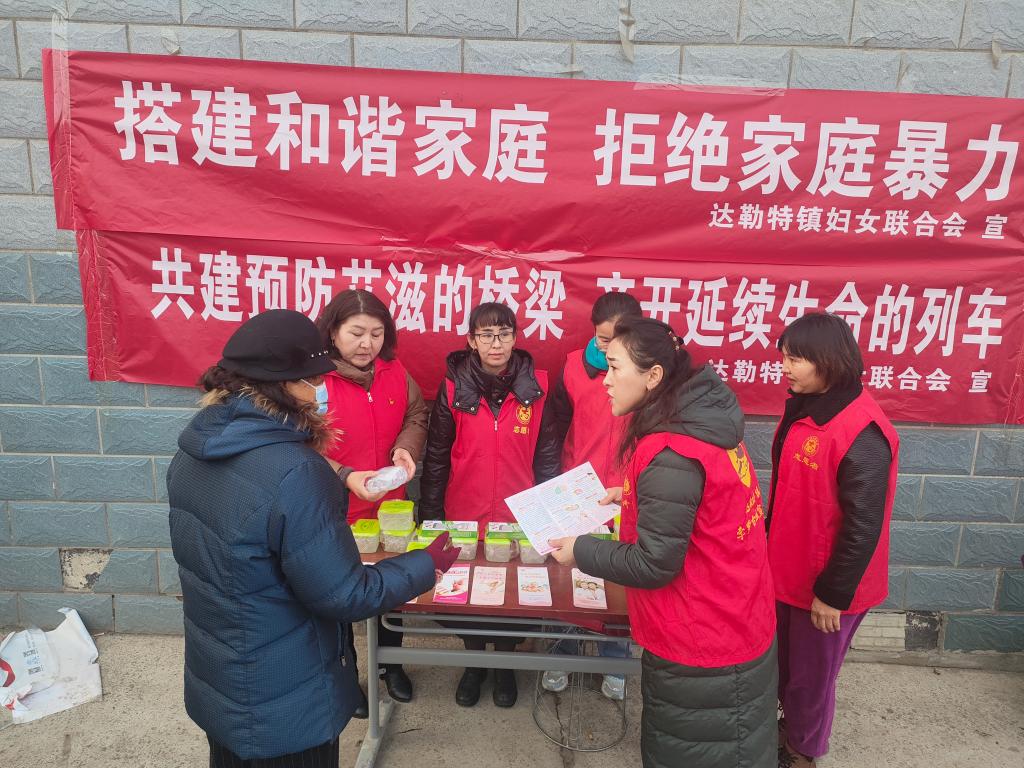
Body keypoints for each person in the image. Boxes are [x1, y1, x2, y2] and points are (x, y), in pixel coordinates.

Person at [167, 309, 458, 767]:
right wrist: (426, 564)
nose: (322, 389)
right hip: (285, 700)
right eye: (314, 380)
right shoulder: (297, 472)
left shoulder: (192, 451)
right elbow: (346, 594)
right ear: (283, 385)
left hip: (221, 681)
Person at [549, 317, 778, 768]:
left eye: (615, 368)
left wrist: (581, 550)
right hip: (733, 618)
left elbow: (654, 563)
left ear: (653, 375)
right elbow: (701, 507)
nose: (606, 381)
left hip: (704, 641)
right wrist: (634, 495)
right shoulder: (701, 424)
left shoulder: (673, 449)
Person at [768, 312, 898, 768]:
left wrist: (832, 594)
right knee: (786, 669)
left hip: (826, 587)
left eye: (795, 359)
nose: (784, 367)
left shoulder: (861, 430)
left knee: (812, 679)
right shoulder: (805, 408)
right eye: (784, 357)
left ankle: (802, 753)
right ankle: (790, 729)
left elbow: (865, 524)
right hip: (788, 570)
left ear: (828, 360)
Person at [420, 301, 561, 708]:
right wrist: (430, 516)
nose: (496, 343)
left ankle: (503, 665)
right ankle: (474, 664)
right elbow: (437, 456)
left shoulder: (537, 388)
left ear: (515, 338)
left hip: (519, 514)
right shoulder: (452, 388)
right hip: (465, 512)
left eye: (504, 334)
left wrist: (549, 517)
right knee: (466, 595)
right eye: (486, 335)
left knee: (511, 593)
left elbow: (548, 457)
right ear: (471, 341)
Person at [316, 289, 429, 707]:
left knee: (392, 589)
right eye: (357, 333)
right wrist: (345, 476)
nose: (367, 344)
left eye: (377, 334)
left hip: (390, 510)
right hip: (334, 508)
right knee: (337, 596)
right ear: (333, 332)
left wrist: (405, 448)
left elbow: (416, 414)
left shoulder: (394, 371)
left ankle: (391, 666)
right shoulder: (315, 380)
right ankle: (346, 675)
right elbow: (298, 442)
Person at [543, 290, 643, 701]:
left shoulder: (650, 372)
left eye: (618, 338)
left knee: (618, 579)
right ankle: (560, 654)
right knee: (568, 573)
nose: (609, 347)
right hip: (577, 486)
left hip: (626, 491)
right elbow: (556, 425)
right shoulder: (572, 367)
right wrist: (552, 479)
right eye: (603, 339)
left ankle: (615, 662)